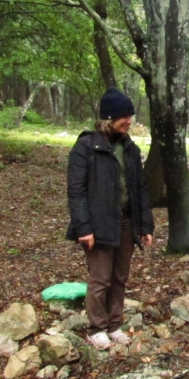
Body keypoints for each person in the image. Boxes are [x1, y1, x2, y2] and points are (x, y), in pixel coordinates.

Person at [66, 88, 154, 350]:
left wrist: (145, 225)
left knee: (120, 277)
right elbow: (76, 190)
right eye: (124, 116)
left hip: (126, 221)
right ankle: (96, 328)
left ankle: (114, 324)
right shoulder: (85, 147)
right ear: (108, 117)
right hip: (98, 223)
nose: (129, 121)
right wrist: (83, 227)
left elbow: (140, 189)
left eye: (130, 115)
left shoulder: (130, 149)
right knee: (100, 278)